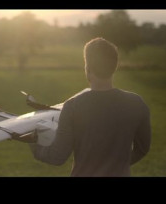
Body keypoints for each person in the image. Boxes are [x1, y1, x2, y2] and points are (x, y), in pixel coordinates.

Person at [28, 37, 151, 177]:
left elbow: (57, 157)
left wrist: (33, 143)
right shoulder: (136, 103)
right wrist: (116, 165)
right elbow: (142, 149)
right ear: (114, 67)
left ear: (87, 68)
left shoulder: (73, 106)